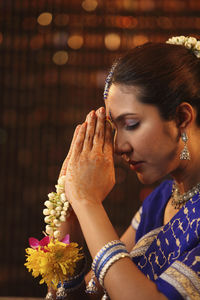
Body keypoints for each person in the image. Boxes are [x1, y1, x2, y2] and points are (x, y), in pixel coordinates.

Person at [47, 36, 200, 300]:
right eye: (114, 128)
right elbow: (88, 292)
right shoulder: (162, 199)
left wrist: (87, 202)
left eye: (130, 124)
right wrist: (69, 208)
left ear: (182, 118)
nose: (119, 147)